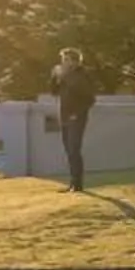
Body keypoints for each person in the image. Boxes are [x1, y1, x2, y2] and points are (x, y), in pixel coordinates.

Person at [50, 46, 97, 192]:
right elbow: (54, 92)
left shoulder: (82, 75)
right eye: (63, 60)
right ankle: (73, 183)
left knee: (74, 150)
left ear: (75, 61)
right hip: (64, 116)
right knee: (68, 150)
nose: (63, 62)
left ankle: (77, 185)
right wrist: (54, 77)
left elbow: (90, 99)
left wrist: (76, 114)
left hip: (76, 118)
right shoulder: (65, 75)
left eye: (66, 59)